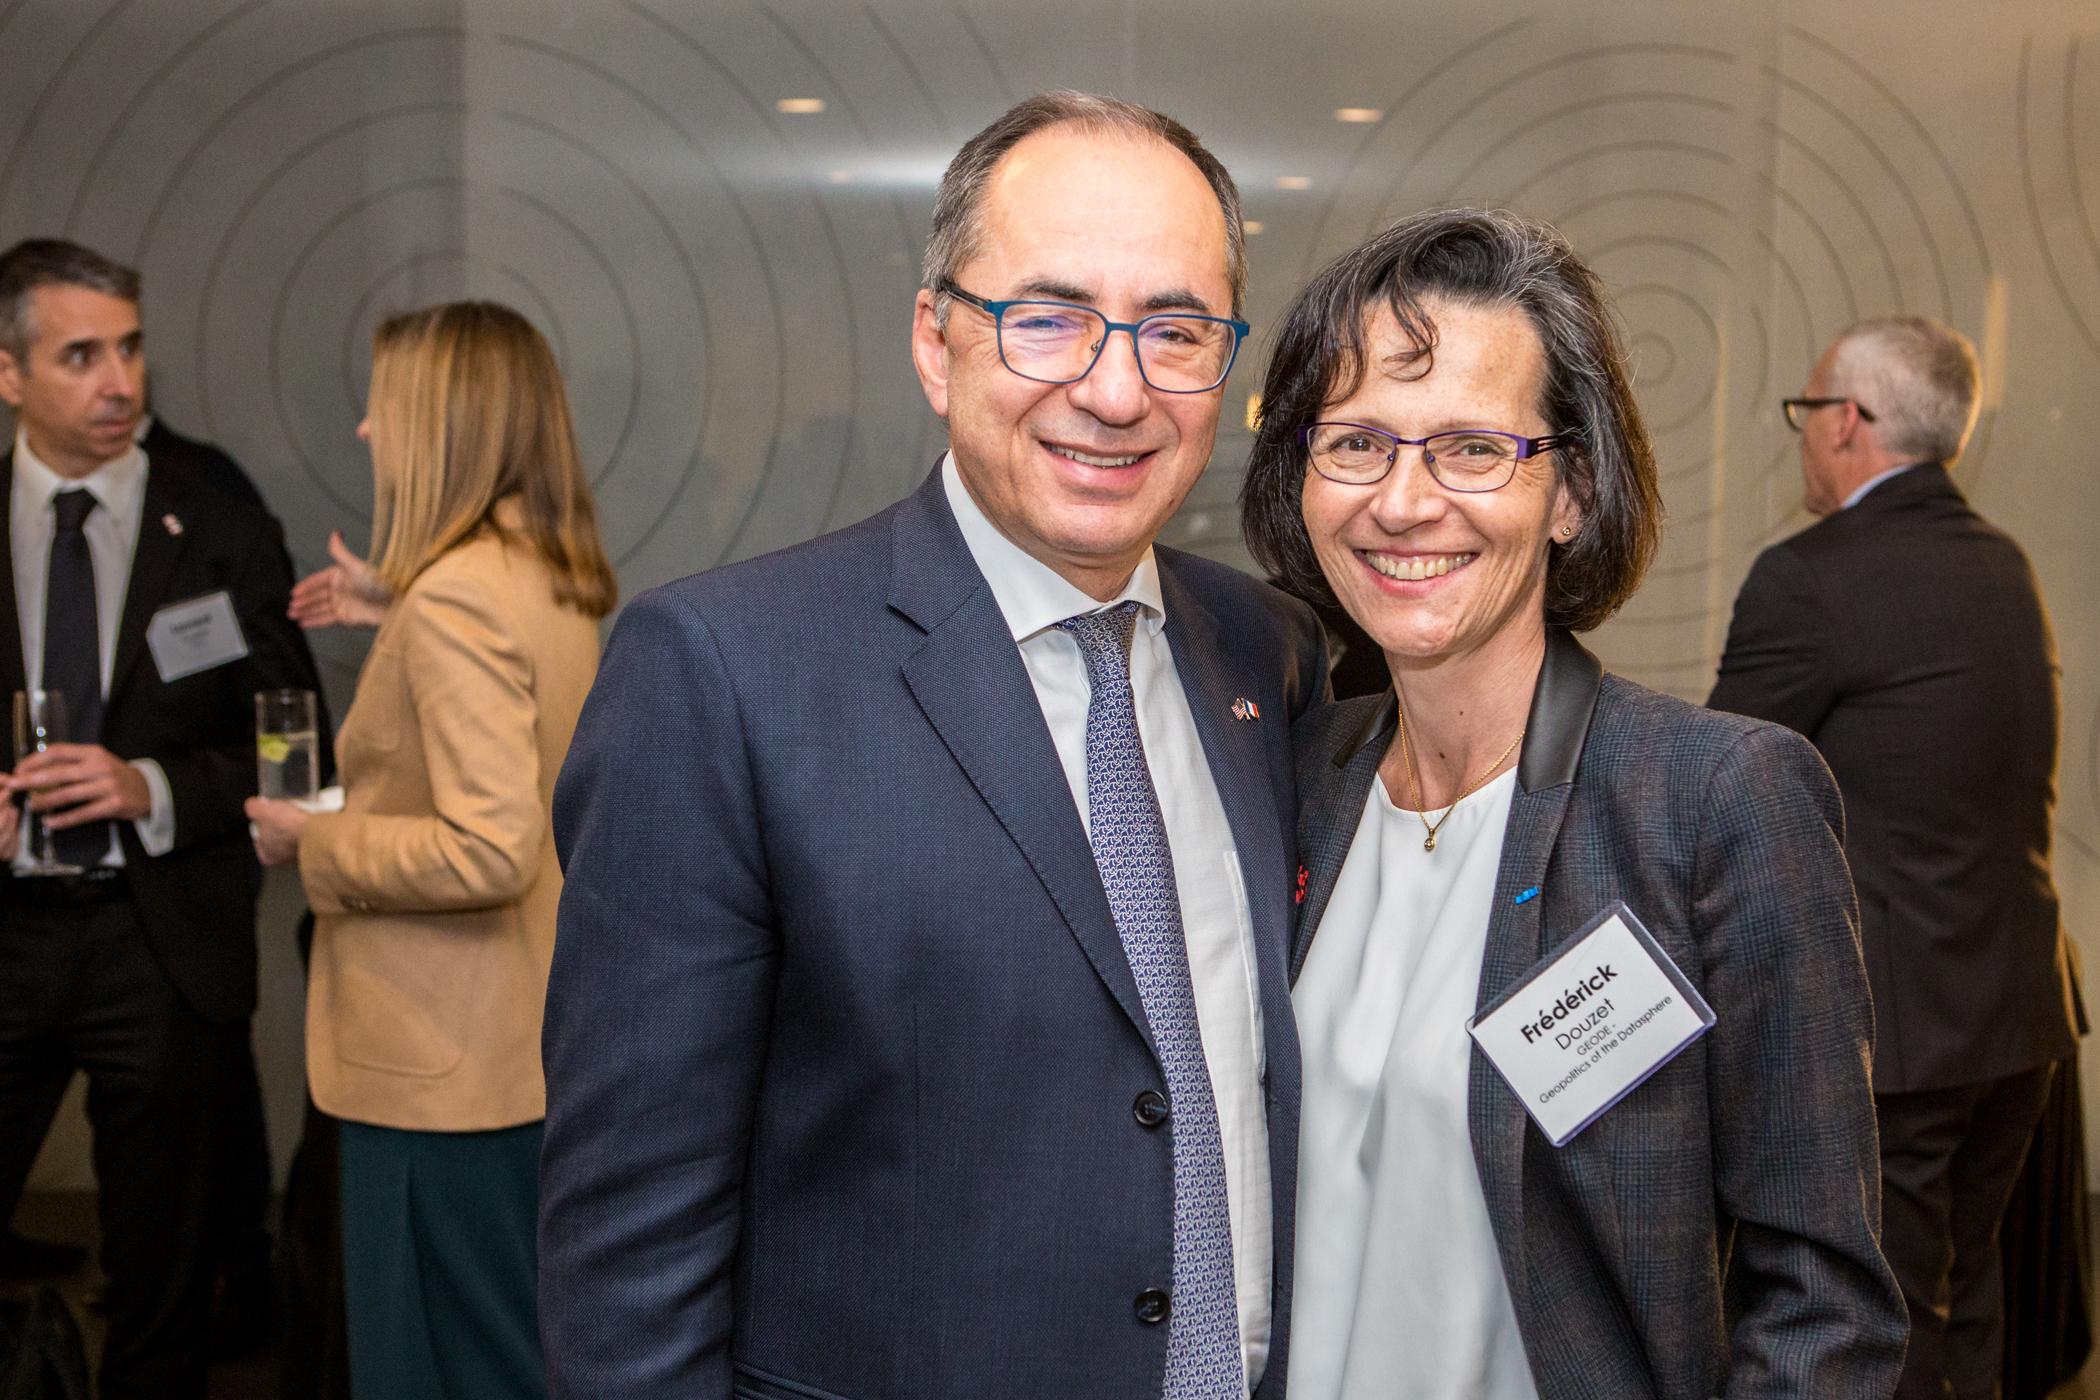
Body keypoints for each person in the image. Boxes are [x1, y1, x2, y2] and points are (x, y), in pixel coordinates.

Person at [541, 91, 1328, 1399]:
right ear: (936, 341)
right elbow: (631, 1254)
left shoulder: (1269, 650)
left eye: (1176, 330)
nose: (1116, 389)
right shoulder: (724, 675)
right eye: (1051, 318)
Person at [1242, 208, 1908, 1399]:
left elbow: (1824, 1304)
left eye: (1472, 447)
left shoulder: (1713, 801)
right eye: (1357, 442)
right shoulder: (1298, 776)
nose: (1403, 501)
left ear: (1573, 491)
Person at [245, 299, 614, 1400]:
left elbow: (487, 847)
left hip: (437, 1068)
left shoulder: (457, 599)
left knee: (437, 1366)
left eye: (384, 405)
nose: (366, 429)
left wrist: (315, 841)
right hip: (514, 1044)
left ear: (444, 423)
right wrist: (398, 604)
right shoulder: (540, 572)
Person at [1710, 315, 2079, 1400]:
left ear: (1849, 422)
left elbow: (1714, 790)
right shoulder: (2004, 563)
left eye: (1807, 410)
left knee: (1883, 1318)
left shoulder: (1810, 576)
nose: (1802, 434)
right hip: (2016, 1014)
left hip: (1901, 1029)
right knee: (1967, 1289)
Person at [0, 236, 325, 1400]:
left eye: (130, 348)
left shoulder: (221, 529)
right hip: (10, 932)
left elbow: (296, 752)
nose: (119, 381)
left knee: (164, 1288)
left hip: (160, 943)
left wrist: (154, 786)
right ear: (8, 372)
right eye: (81, 355)